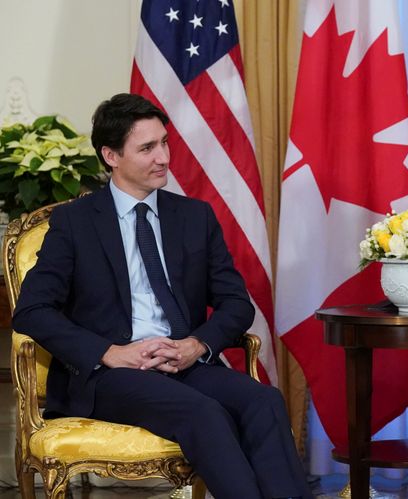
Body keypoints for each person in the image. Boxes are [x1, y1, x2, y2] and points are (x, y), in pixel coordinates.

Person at [12, 93, 312, 499]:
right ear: (111, 155)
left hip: (183, 361)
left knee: (264, 401)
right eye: (147, 148)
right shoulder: (75, 222)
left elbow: (236, 303)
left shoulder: (194, 216)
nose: (164, 157)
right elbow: (32, 310)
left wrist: (196, 344)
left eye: (165, 142)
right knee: (204, 413)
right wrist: (109, 352)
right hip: (110, 374)